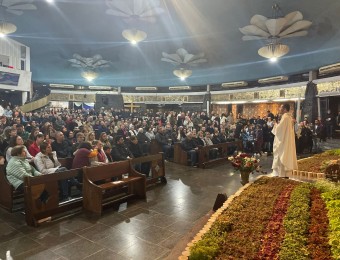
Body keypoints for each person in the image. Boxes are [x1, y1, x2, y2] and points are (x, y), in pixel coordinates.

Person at [271, 103, 298, 178]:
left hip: (283, 142)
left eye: (280, 107)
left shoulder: (285, 117)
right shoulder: (289, 117)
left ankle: (281, 174)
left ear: (285, 109)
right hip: (286, 140)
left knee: (281, 156)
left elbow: (279, 130)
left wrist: (275, 124)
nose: (279, 109)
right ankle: (285, 174)